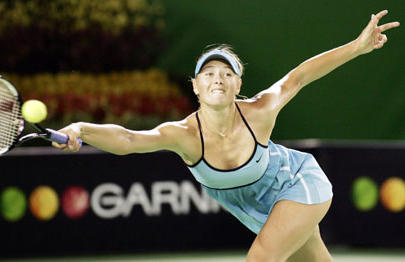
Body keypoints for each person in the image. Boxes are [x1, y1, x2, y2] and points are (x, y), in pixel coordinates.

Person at [53, 10, 399, 262]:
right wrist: (81, 129)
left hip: (299, 183)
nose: (217, 78)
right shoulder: (184, 134)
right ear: (196, 87)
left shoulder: (260, 111)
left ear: (238, 85)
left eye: (226, 73)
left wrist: (357, 47)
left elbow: (298, 77)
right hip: (258, 210)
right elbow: (129, 140)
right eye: (208, 73)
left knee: (262, 258)